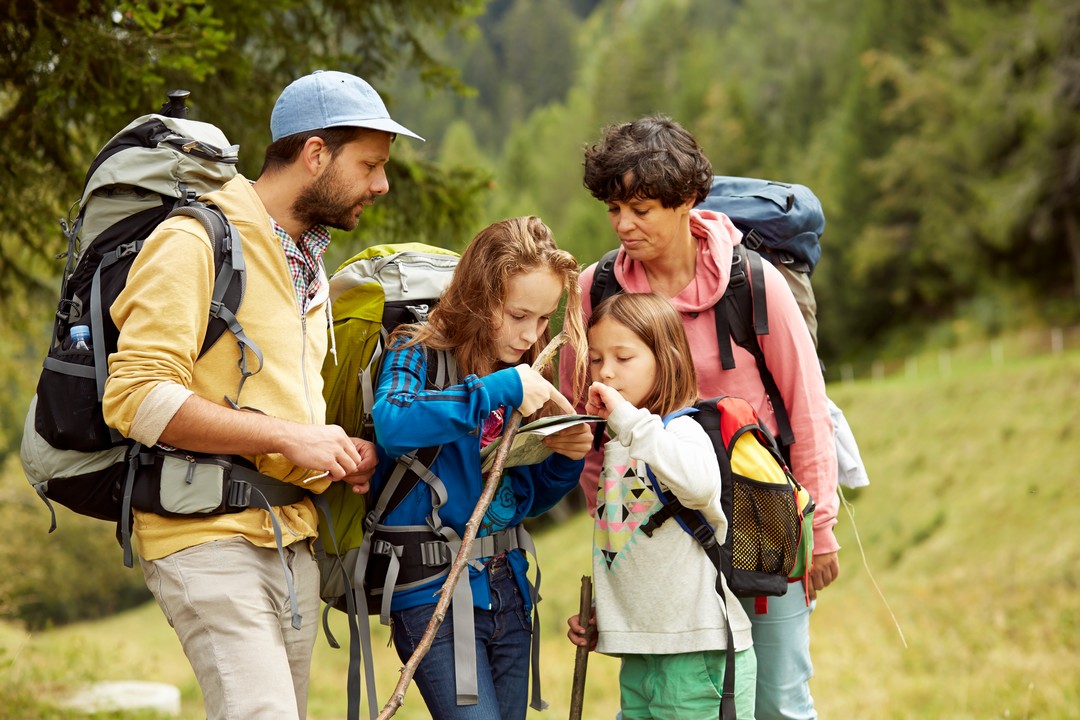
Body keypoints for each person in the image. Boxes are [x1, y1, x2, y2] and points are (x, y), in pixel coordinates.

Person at [101, 70, 423, 719]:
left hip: (289, 540)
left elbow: (281, 408)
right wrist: (285, 437)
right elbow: (135, 398)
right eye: (369, 164)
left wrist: (331, 451)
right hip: (206, 537)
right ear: (314, 154)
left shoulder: (306, 263)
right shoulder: (195, 240)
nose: (381, 184)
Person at [559, 115, 840, 720]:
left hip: (758, 519)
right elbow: (584, 430)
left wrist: (821, 531)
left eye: (640, 208)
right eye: (613, 208)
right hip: (659, 544)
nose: (622, 225)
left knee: (779, 703)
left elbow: (807, 409)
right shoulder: (595, 290)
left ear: (687, 200)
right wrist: (610, 542)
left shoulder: (754, 283)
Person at [369, 215, 592, 720]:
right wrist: (500, 389)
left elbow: (519, 498)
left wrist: (565, 458)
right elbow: (393, 421)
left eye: (543, 319)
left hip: (509, 592)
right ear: (478, 296)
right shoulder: (415, 351)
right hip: (431, 593)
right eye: (518, 315)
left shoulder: (522, 369)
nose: (531, 333)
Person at [566, 291, 757, 719]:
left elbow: (698, 485)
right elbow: (633, 549)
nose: (606, 372)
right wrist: (610, 618)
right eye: (596, 360)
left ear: (665, 359)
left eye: (623, 357)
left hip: (698, 654)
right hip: (644, 654)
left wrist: (630, 422)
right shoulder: (619, 444)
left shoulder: (682, 432)